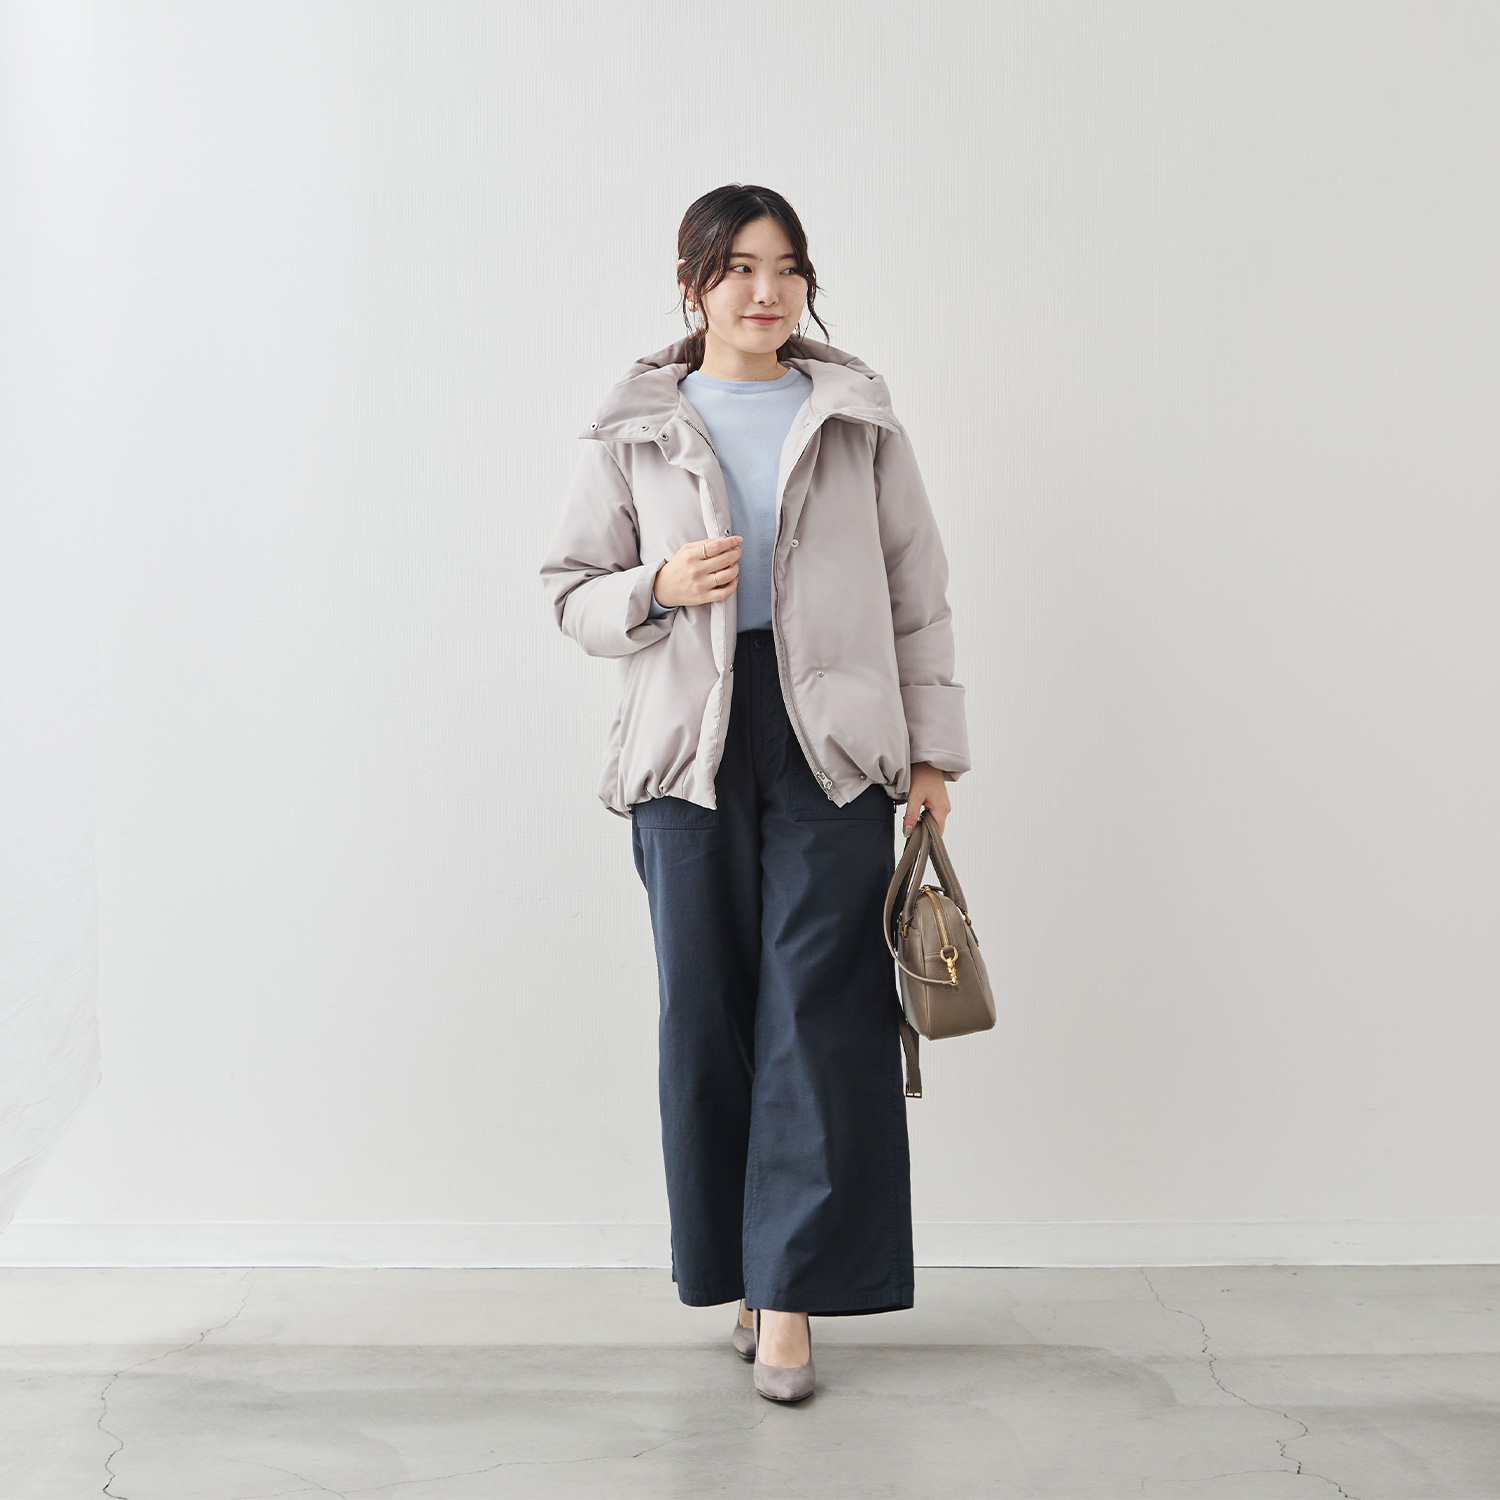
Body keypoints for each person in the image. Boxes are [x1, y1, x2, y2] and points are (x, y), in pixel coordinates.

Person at [539, 184, 970, 1402]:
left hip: (831, 740)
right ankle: (740, 1267)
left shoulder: (857, 420)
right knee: (710, 1015)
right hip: (689, 747)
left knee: (819, 1011)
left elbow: (917, 596)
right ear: (692, 285)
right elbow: (570, 589)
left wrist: (931, 756)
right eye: (737, 268)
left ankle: (788, 1300)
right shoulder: (633, 426)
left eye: (785, 267)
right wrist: (657, 586)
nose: (764, 291)